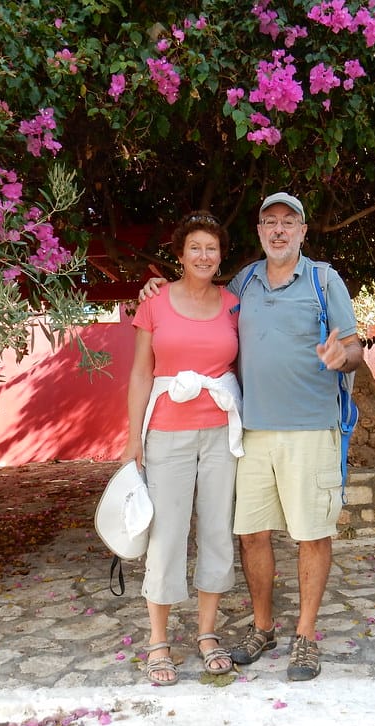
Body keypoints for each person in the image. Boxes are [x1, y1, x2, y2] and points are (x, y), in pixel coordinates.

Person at [141, 192, 363, 681]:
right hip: (252, 431)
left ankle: (305, 637)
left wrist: (341, 357)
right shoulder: (244, 283)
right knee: (251, 534)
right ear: (260, 232)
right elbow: (198, 297)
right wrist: (158, 286)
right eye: (270, 222)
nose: (279, 230)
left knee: (311, 534)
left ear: (303, 231)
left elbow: (354, 347)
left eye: (289, 222)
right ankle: (263, 628)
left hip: (311, 429)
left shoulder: (324, 280)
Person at [121, 211, 243, 686]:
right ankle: (159, 641)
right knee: (166, 534)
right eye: (195, 247)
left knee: (216, 531)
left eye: (211, 248)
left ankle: (207, 634)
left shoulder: (233, 305)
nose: (204, 255)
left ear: (221, 256)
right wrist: (133, 437)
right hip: (166, 433)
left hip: (220, 433)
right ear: (180, 253)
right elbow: (140, 372)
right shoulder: (154, 302)